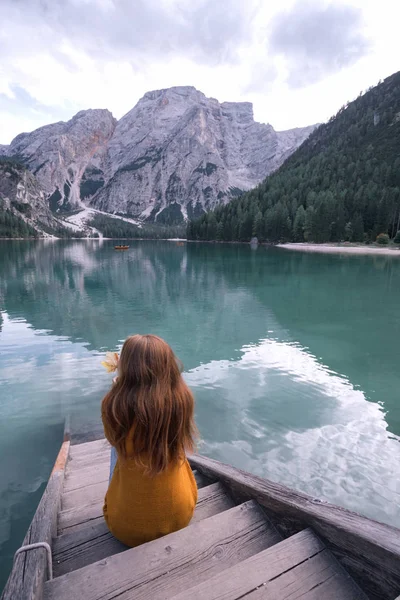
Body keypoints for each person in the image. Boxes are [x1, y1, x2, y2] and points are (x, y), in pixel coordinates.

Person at [101, 334, 198, 547]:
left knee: (118, 450)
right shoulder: (182, 401)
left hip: (125, 528)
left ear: (126, 368)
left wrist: (116, 393)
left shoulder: (113, 406)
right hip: (180, 517)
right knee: (172, 444)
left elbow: (113, 439)